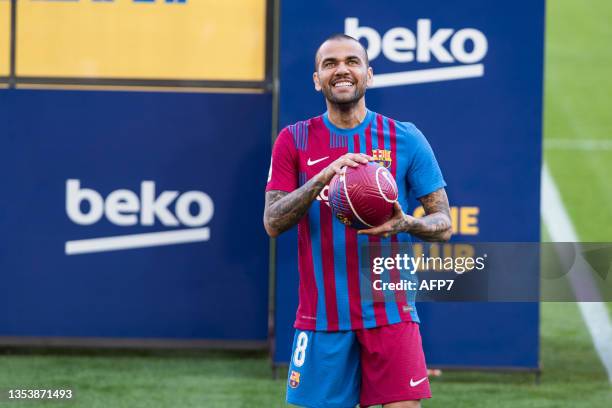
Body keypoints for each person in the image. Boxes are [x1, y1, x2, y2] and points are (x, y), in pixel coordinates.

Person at [264, 34, 451, 408]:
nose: (342, 69)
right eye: (329, 64)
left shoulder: (405, 138)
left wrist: (407, 224)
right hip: (321, 317)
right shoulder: (294, 140)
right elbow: (272, 221)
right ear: (317, 79)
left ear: (369, 73)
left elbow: (443, 223)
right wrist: (321, 179)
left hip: (391, 312)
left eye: (352, 61)